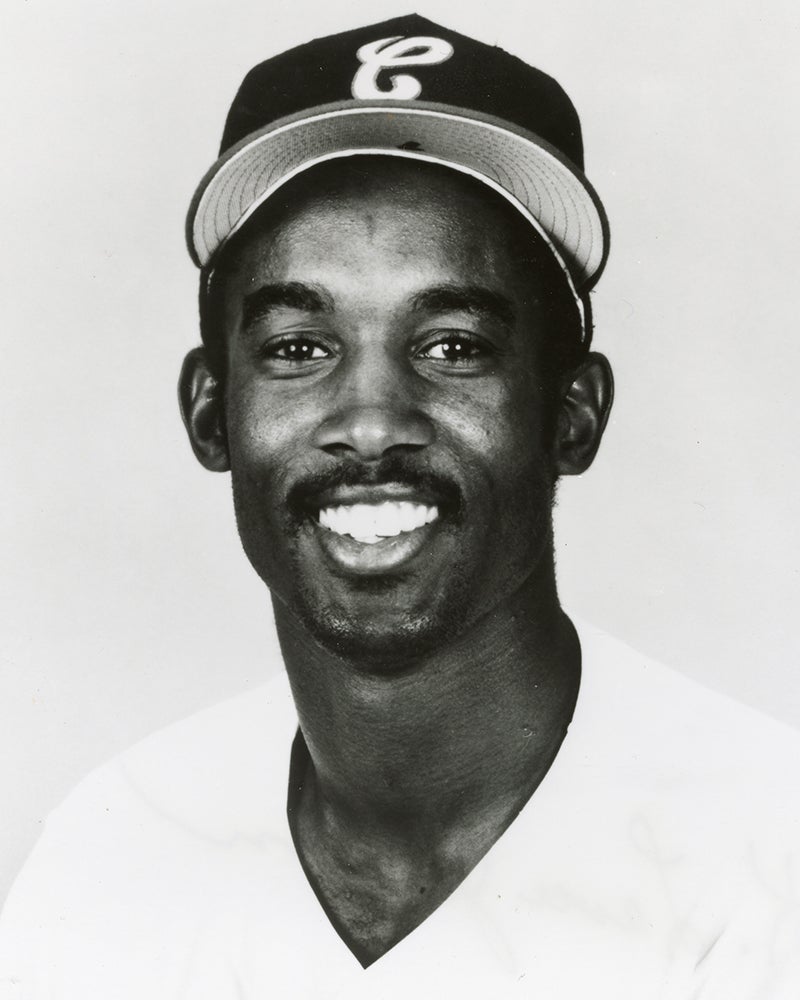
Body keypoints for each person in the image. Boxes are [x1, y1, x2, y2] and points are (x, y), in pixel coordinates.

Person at [1, 14, 799, 998]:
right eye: (299, 347)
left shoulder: (766, 855)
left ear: (570, 413)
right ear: (211, 414)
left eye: (452, 345)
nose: (372, 422)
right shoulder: (117, 851)